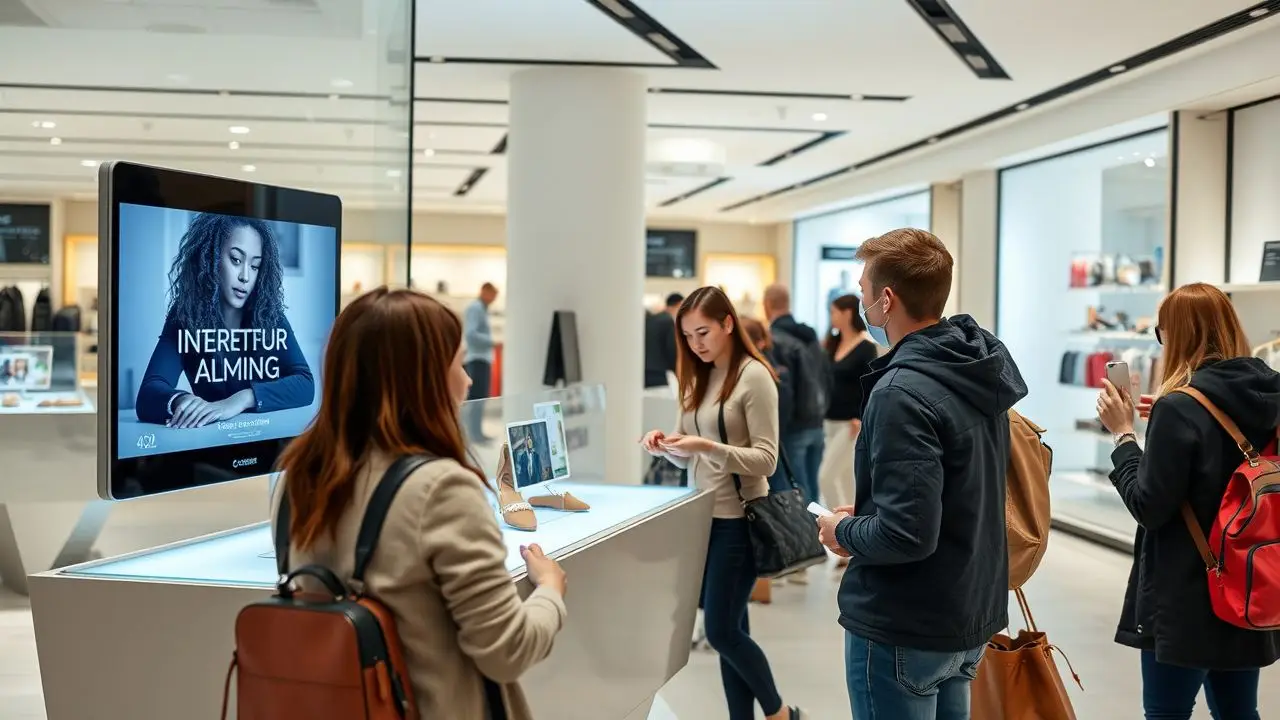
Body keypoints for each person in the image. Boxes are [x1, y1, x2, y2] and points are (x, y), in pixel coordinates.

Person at [273, 287, 567, 719]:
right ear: (425, 378)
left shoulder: (298, 479)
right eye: (459, 364)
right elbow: (507, 651)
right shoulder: (441, 489)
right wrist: (550, 591)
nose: (468, 380)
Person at [814, 228, 1026, 720]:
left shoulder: (901, 392)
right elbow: (952, 491)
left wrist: (842, 530)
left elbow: (906, 533)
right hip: (966, 611)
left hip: (906, 621)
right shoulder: (975, 368)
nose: (862, 302)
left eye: (864, 291)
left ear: (886, 300)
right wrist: (869, 512)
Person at [1096, 282, 1280, 720]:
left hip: (1188, 592)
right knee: (1239, 710)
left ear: (1176, 335)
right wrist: (1165, 417)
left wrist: (1124, 436)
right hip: (1251, 578)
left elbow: (1148, 505)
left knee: (1167, 711)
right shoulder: (1269, 396)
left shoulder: (1179, 408)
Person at [641, 287, 804, 720]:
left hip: (740, 519)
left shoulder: (754, 376)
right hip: (703, 520)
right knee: (733, 626)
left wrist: (707, 446)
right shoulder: (700, 374)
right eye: (687, 335)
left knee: (720, 629)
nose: (695, 343)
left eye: (703, 332)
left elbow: (767, 460)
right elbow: (691, 451)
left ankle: (780, 713)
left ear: (727, 323)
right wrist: (667, 446)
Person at [135, 213, 314, 428]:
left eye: (255, 266)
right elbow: (149, 392)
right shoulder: (186, 315)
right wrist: (183, 401)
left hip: (265, 434)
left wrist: (241, 400)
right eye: (236, 260)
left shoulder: (269, 314)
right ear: (210, 258)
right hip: (213, 439)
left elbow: (305, 383)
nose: (245, 276)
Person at [817, 294, 878, 561]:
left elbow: (870, 385)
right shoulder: (833, 343)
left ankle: (841, 535)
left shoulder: (865, 346)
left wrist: (861, 416)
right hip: (829, 421)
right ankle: (855, 541)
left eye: (835, 312)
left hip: (850, 424)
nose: (832, 317)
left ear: (847, 313)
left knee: (826, 476)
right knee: (845, 480)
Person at [762, 283, 827, 507]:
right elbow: (827, 377)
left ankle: (806, 531)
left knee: (796, 493)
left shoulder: (775, 340)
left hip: (793, 427)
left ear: (767, 305)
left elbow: (783, 390)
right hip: (817, 422)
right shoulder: (812, 338)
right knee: (812, 492)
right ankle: (817, 529)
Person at [462, 282, 499, 442]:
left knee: (480, 397)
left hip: (482, 359)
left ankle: (477, 433)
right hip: (477, 359)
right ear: (485, 291)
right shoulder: (476, 308)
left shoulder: (482, 309)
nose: (493, 299)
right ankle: (473, 434)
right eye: (493, 295)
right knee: (476, 398)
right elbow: (471, 334)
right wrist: (491, 341)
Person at [644, 292, 684, 388]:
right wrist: (678, 373)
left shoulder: (650, 320)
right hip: (660, 375)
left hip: (645, 372)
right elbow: (672, 350)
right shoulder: (667, 321)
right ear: (679, 305)